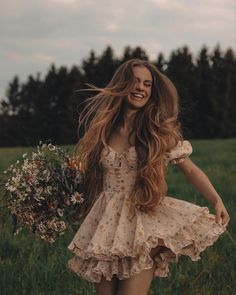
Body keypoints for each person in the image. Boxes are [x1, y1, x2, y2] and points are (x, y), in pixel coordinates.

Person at [67, 59, 230, 295]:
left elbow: (191, 170)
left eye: (147, 84)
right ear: (121, 85)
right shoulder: (103, 130)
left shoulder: (157, 132)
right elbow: (87, 174)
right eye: (134, 82)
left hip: (142, 222)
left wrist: (216, 199)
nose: (140, 87)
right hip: (106, 225)